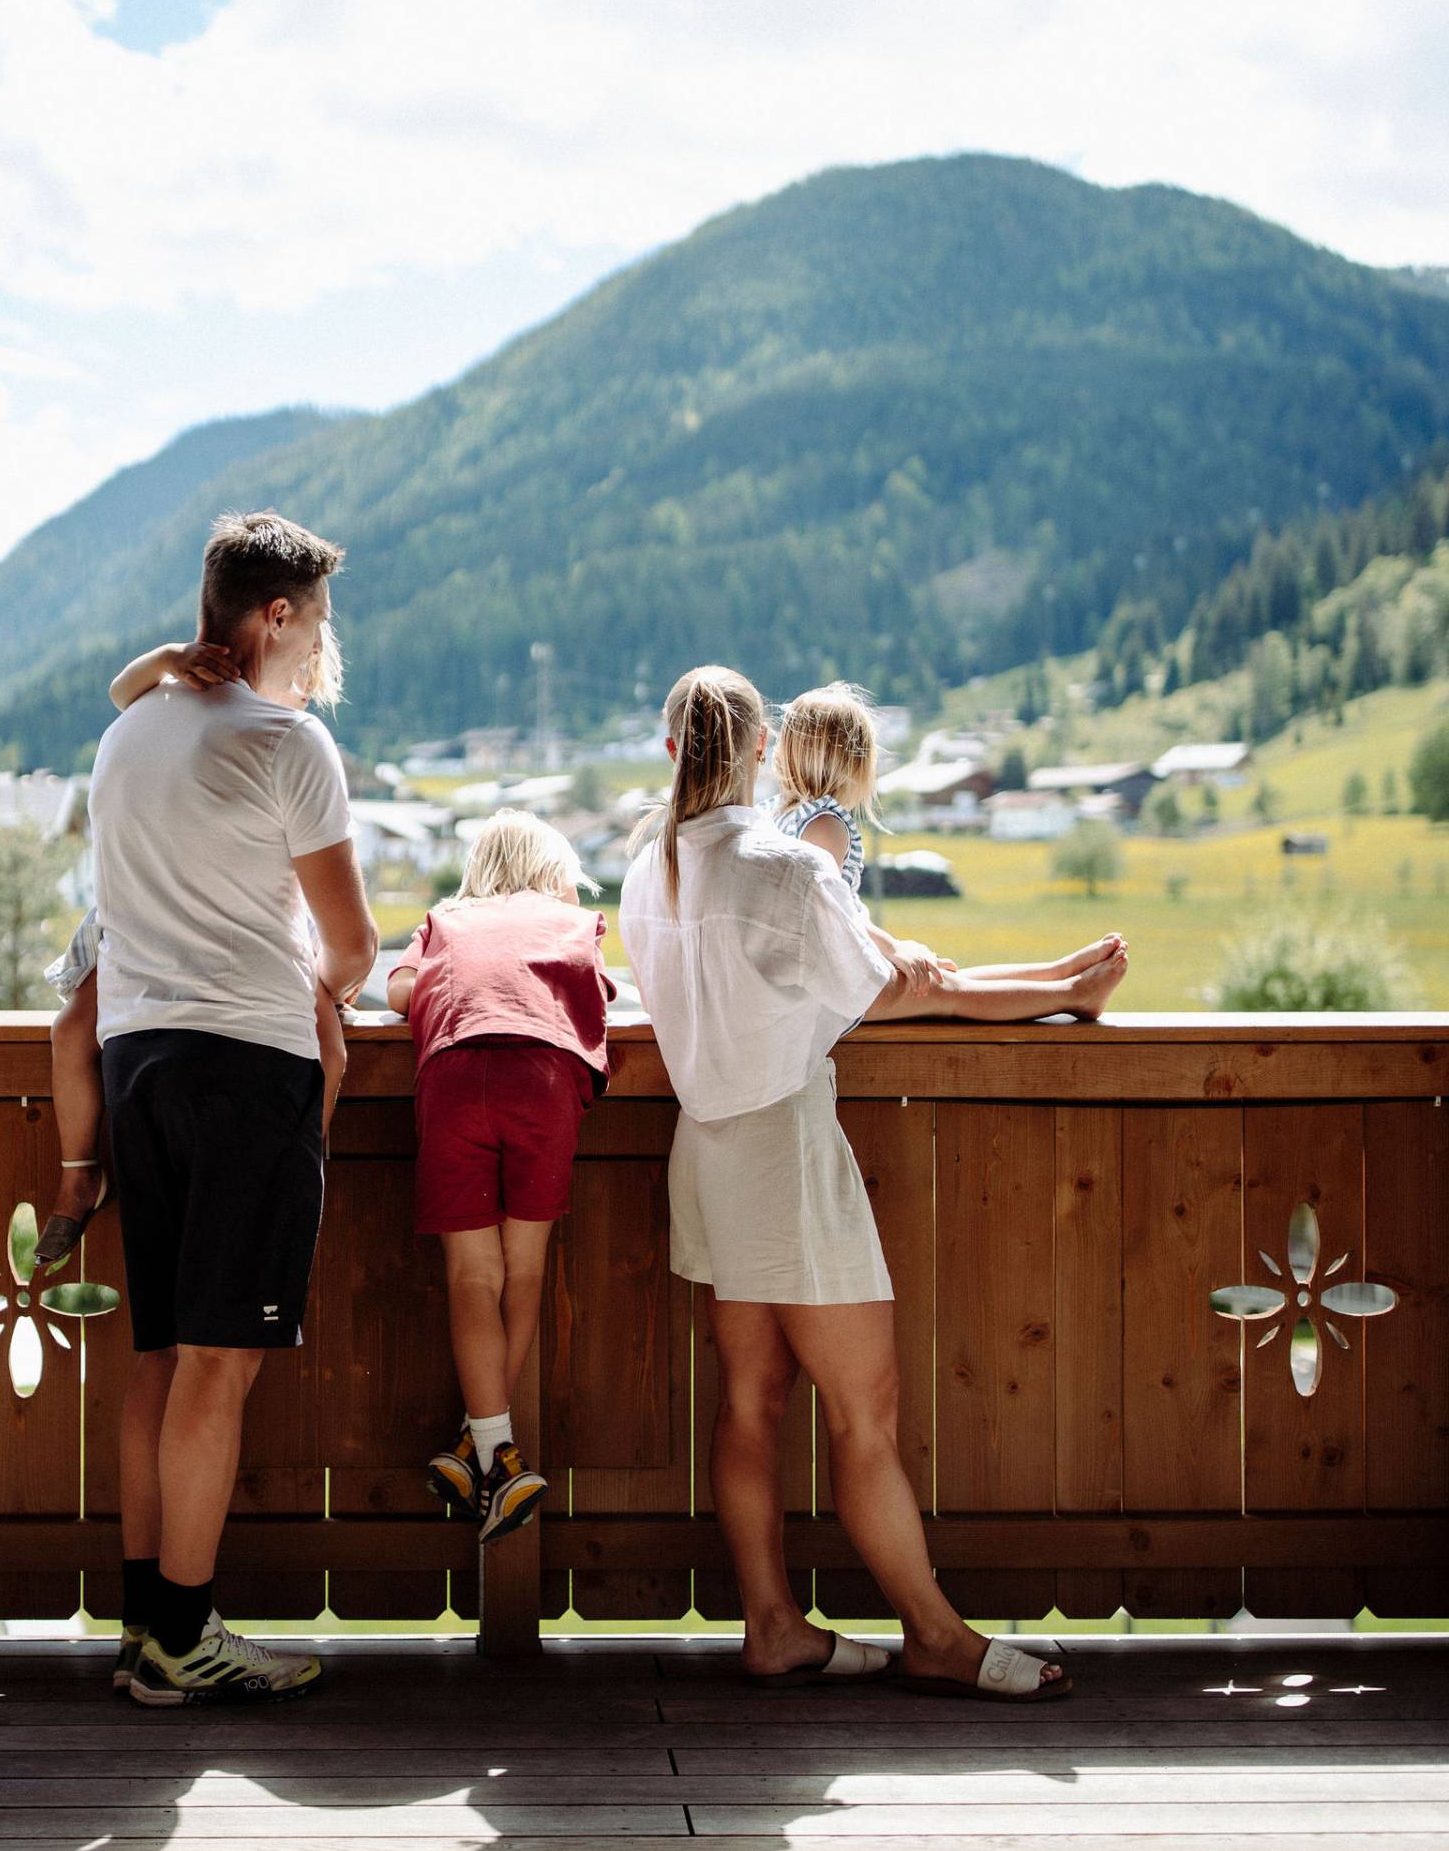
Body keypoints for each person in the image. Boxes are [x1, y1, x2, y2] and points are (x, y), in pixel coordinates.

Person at [620, 666, 1085, 1700]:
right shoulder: (784, 868)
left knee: (749, 1404)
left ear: (670, 751)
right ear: (759, 750)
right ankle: (933, 1632)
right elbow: (891, 991)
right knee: (863, 1410)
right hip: (786, 1146)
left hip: (707, 1148)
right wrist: (1052, 988)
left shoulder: (645, 872)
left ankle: (774, 1624)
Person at [88, 510, 376, 1705]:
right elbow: (353, 946)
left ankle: (148, 1617)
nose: (321, 646)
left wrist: (161, 664)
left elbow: (127, 689)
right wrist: (324, 993)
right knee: (219, 1362)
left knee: (161, 1353)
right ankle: (186, 1635)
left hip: (136, 1058)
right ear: (274, 616)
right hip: (245, 1067)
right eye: (315, 620)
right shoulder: (287, 740)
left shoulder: (128, 737)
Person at [33, 621, 348, 1273]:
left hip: (213, 935)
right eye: (299, 682)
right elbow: (122, 690)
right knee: (69, 1033)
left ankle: (304, 1148)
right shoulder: (186, 695)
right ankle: (78, 1174)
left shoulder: (273, 738)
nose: (301, 698)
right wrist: (169, 659)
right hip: (143, 915)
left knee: (329, 1036)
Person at [385, 810, 614, 1543]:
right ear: (558, 873)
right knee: (523, 1274)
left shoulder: (445, 918)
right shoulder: (572, 922)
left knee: (472, 1280)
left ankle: (485, 1449)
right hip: (544, 1077)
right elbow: (600, 999)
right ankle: (492, 1453)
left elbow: (397, 993)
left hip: (454, 1075)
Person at [772, 683, 1128, 1020]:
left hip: (827, 977)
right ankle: (1072, 993)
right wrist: (894, 948)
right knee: (946, 991)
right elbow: (829, 911)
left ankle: (1056, 973)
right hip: (838, 987)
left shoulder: (783, 814)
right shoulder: (824, 825)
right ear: (856, 763)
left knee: (942, 978)